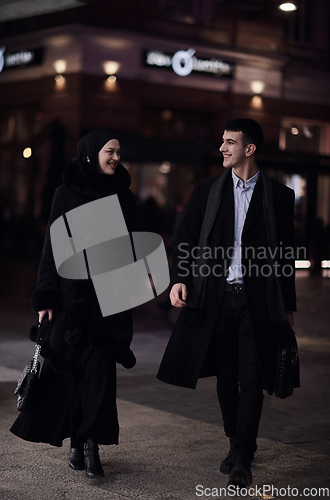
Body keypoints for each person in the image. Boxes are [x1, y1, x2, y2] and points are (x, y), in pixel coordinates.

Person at [157, 118, 299, 487]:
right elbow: (184, 239)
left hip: (258, 302)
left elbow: (284, 256)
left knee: (252, 378)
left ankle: (242, 453)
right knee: (225, 376)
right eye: (222, 141)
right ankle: (236, 443)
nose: (222, 148)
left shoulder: (279, 196)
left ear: (249, 149)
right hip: (216, 299)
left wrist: (289, 307)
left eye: (230, 142)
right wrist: (179, 280)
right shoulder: (206, 192)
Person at [10, 130, 137, 478]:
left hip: (106, 299)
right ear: (91, 153)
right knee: (68, 373)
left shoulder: (124, 197)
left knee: (98, 373)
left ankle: (91, 443)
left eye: (118, 152)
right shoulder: (65, 193)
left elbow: (130, 249)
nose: (115, 157)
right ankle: (76, 443)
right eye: (110, 151)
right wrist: (46, 295)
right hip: (68, 297)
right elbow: (52, 247)